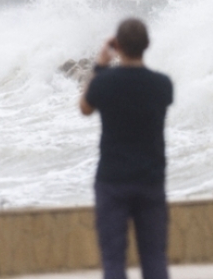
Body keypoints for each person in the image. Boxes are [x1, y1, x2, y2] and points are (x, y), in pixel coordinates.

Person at [79, 18, 173, 279]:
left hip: (112, 180)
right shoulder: (162, 85)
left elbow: (84, 108)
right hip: (151, 180)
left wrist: (101, 64)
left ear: (117, 46)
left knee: (113, 260)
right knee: (154, 257)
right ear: (148, 45)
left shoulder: (104, 82)